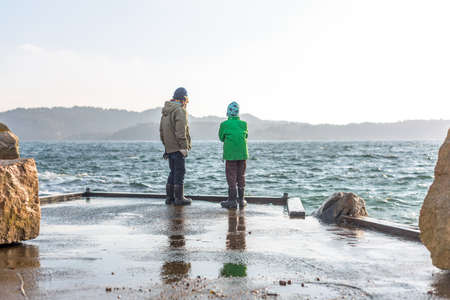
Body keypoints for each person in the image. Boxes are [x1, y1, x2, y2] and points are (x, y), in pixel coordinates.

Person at [160, 87, 192, 206]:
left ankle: (170, 198)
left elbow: (162, 131)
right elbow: (180, 130)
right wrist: (183, 147)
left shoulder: (166, 111)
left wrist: (166, 148)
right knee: (180, 172)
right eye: (187, 100)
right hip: (178, 148)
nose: (187, 103)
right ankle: (179, 198)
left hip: (169, 148)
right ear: (183, 99)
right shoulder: (180, 110)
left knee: (172, 172)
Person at [219, 101, 248, 209]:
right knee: (241, 176)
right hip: (242, 155)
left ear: (228, 113)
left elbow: (221, 138)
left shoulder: (224, 124)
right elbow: (246, 136)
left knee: (231, 177)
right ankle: (241, 200)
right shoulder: (244, 124)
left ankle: (232, 201)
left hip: (230, 155)